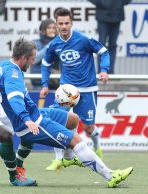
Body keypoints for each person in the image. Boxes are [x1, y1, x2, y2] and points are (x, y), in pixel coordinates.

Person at [0, 37, 133, 188]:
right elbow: (14, 98)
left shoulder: (2, 65)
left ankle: (68, 158)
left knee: (73, 119)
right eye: (31, 59)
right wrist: (26, 119)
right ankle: (111, 176)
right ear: (24, 58)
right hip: (33, 122)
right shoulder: (13, 75)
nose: (32, 62)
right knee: (77, 141)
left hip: (36, 113)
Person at [40, 7, 109, 171]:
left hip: (87, 88)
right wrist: (44, 85)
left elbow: (104, 52)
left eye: (66, 23)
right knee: (58, 120)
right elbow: (45, 64)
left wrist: (105, 70)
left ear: (71, 23)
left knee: (88, 128)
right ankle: (59, 159)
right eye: (60, 23)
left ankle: (97, 145)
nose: (63, 26)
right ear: (56, 24)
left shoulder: (84, 39)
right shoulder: (54, 44)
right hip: (66, 89)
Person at [88, 0, 131, 74]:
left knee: (113, 45)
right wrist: (101, 3)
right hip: (102, 15)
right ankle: (101, 71)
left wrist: (119, 3)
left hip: (117, 15)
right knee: (101, 45)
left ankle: (111, 71)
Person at [30, 19, 59, 90]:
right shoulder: (35, 42)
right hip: (39, 81)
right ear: (43, 30)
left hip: (56, 81)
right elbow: (35, 59)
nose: (52, 30)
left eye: (54, 28)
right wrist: (50, 45)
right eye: (49, 28)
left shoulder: (59, 43)